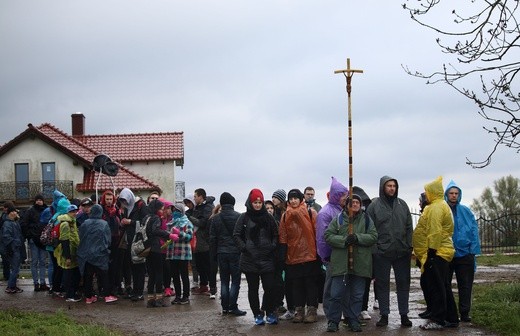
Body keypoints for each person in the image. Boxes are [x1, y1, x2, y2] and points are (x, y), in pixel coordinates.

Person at [324, 194, 378, 332]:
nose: (355, 204)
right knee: (336, 294)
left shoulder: (366, 219)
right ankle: (333, 321)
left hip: (360, 263)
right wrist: (344, 240)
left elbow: (373, 236)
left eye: (357, 202)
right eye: (352, 202)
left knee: (357, 295)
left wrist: (357, 238)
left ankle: (353, 319)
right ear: (347, 205)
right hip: (341, 264)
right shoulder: (339, 219)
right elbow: (328, 236)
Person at [366, 175, 413, 327]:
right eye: (389, 186)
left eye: (394, 186)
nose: (392, 188)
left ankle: (404, 315)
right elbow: (370, 229)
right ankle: (384, 315)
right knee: (382, 284)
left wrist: (409, 246)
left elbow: (409, 227)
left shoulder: (402, 205)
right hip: (382, 253)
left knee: (403, 283)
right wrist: (375, 249)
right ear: (382, 187)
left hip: (401, 252)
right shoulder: (374, 206)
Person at [413, 176, 459, 330]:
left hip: (437, 252)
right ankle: (451, 318)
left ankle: (438, 319)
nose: (425, 194)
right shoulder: (439, 205)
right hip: (440, 251)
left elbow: (435, 231)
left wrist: (431, 252)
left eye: (427, 191)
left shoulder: (435, 208)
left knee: (437, 287)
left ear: (432, 192)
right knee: (443, 286)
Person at [233, 188, 279, 326]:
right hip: (249, 259)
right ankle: (257, 314)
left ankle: (270, 311)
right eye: (255, 202)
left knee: (269, 287)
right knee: (253, 289)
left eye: (260, 202)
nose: (258, 205)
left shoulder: (268, 217)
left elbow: (276, 234)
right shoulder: (244, 217)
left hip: (267, 258)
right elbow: (236, 235)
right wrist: (244, 247)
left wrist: (272, 246)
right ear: (250, 202)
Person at [279, 188, 320, 323]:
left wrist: (319, 253)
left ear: (301, 199)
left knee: (310, 284)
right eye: (291, 199)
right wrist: (283, 255)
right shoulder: (285, 215)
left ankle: (312, 311)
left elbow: (317, 232)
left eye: (296, 198)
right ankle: (299, 311)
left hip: (310, 255)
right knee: (296, 286)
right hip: (293, 256)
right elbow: (283, 236)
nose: (293, 201)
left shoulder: (311, 212)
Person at [445, 180, 481, 322]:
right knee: (445, 284)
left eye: (456, 193)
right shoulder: (443, 210)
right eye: (451, 193)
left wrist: (472, 250)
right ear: (446, 194)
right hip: (447, 253)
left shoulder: (466, 211)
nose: (454, 196)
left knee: (465, 285)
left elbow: (474, 230)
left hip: (465, 254)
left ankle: (464, 313)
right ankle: (448, 312)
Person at [316, 177, 349, 318]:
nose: (345, 198)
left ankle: (344, 313)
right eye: (343, 195)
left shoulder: (343, 210)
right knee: (330, 286)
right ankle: (330, 314)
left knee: (344, 286)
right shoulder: (325, 213)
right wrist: (326, 256)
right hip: (332, 256)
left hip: (344, 254)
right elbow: (322, 238)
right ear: (336, 195)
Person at [210, 192, 247, 316]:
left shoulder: (215, 218)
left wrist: (213, 254)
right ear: (233, 203)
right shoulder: (238, 216)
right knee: (235, 281)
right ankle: (233, 307)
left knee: (224, 280)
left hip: (221, 252)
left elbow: (212, 238)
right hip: (235, 253)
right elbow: (243, 235)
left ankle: (225, 307)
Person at [77, 204, 118, 304]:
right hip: (100, 253)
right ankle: (107, 295)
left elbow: (80, 236)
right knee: (104, 274)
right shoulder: (104, 224)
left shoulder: (85, 223)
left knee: (88, 276)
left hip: (86, 254)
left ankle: (88, 297)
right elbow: (108, 240)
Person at [118, 187, 149, 301]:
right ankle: (134, 291)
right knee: (132, 267)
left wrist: (130, 222)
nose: (124, 203)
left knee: (139, 267)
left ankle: (139, 291)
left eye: (125, 200)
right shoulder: (127, 208)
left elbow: (145, 222)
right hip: (130, 241)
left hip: (139, 242)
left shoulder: (141, 206)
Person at [143, 199, 173, 308]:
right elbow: (156, 231)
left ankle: (150, 300)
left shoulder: (146, 217)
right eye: (160, 209)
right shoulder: (156, 218)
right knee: (159, 273)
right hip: (156, 248)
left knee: (151, 274)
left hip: (147, 249)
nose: (162, 211)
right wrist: (168, 234)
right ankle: (159, 299)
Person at [188, 188, 215, 297]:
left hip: (205, 241)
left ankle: (212, 287)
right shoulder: (198, 207)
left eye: (195, 196)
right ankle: (203, 286)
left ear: (201, 196)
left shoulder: (208, 207)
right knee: (199, 265)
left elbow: (203, 223)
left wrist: (189, 218)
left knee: (207, 265)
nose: (194, 198)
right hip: (197, 241)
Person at [20, 194, 50, 291]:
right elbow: (24, 224)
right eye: (37, 200)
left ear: (43, 201)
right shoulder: (30, 211)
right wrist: (29, 235)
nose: (39, 201)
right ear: (35, 201)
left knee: (42, 262)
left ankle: (42, 283)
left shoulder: (46, 210)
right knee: (34, 262)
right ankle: (36, 283)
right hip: (33, 240)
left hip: (42, 240)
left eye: (40, 200)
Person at [166, 202, 192, 305]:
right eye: (173, 210)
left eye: (177, 210)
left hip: (183, 254)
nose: (175, 212)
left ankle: (185, 296)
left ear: (181, 211)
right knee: (175, 276)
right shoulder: (171, 223)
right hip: (172, 253)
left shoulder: (187, 223)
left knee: (184, 275)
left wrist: (179, 233)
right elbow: (167, 235)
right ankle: (177, 295)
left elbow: (189, 237)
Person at [54, 204, 81, 302]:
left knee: (73, 273)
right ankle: (69, 295)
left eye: (75, 211)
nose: (74, 213)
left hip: (73, 252)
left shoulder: (72, 222)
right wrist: (67, 257)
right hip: (67, 253)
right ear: (68, 212)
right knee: (68, 274)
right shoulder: (65, 224)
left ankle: (72, 293)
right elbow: (64, 241)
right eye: (72, 211)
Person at [99, 190, 122, 297]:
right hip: (104, 241)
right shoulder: (101, 210)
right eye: (107, 199)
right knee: (104, 266)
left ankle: (113, 287)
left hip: (115, 241)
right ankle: (104, 287)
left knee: (114, 266)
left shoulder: (116, 210)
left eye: (110, 199)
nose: (109, 201)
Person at [1, 205, 24, 293]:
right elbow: (6, 237)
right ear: (9, 213)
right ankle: (10, 286)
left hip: (16, 248)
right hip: (13, 248)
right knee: (15, 269)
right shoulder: (7, 223)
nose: (15, 213)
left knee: (16, 268)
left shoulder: (15, 222)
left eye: (15, 211)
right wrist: (16, 242)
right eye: (13, 211)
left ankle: (13, 286)